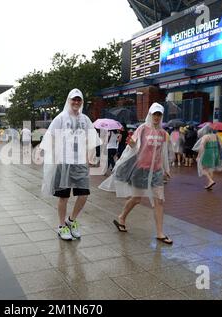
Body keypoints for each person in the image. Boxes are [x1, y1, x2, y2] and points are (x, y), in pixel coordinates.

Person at [99, 103, 173, 245]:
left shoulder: (163, 133)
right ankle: (121, 217)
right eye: (154, 114)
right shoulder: (142, 129)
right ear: (150, 115)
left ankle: (159, 233)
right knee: (137, 199)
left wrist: (166, 169)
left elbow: (163, 153)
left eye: (159, 115)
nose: (156, 117)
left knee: (159, 201)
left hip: (156, 171)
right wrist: (132, 144)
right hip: (141, 170)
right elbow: (133, 147)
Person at [40, 88, 101, 241]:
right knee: (64, 197)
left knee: (84, 194)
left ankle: (71, 220)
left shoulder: (85, 119)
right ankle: (61, 226)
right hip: (64, 162)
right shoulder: (61, 118)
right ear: (69, 100)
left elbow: (91, 139)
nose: (76, 102)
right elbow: (51, 137)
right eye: (74, 99)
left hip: (80, 163)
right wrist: (54, 157)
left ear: (81, 102)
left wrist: (89, 157)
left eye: (79, 99)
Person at [192, 124, 222, 190]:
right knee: (211, 168)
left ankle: (211, 181)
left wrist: (198, 156)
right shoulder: (215, 136)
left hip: (207, 153)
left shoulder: (205, 136)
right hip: (215, 153)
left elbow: (202, 146)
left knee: (202, 168)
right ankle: (210, 183)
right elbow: (220, 145)